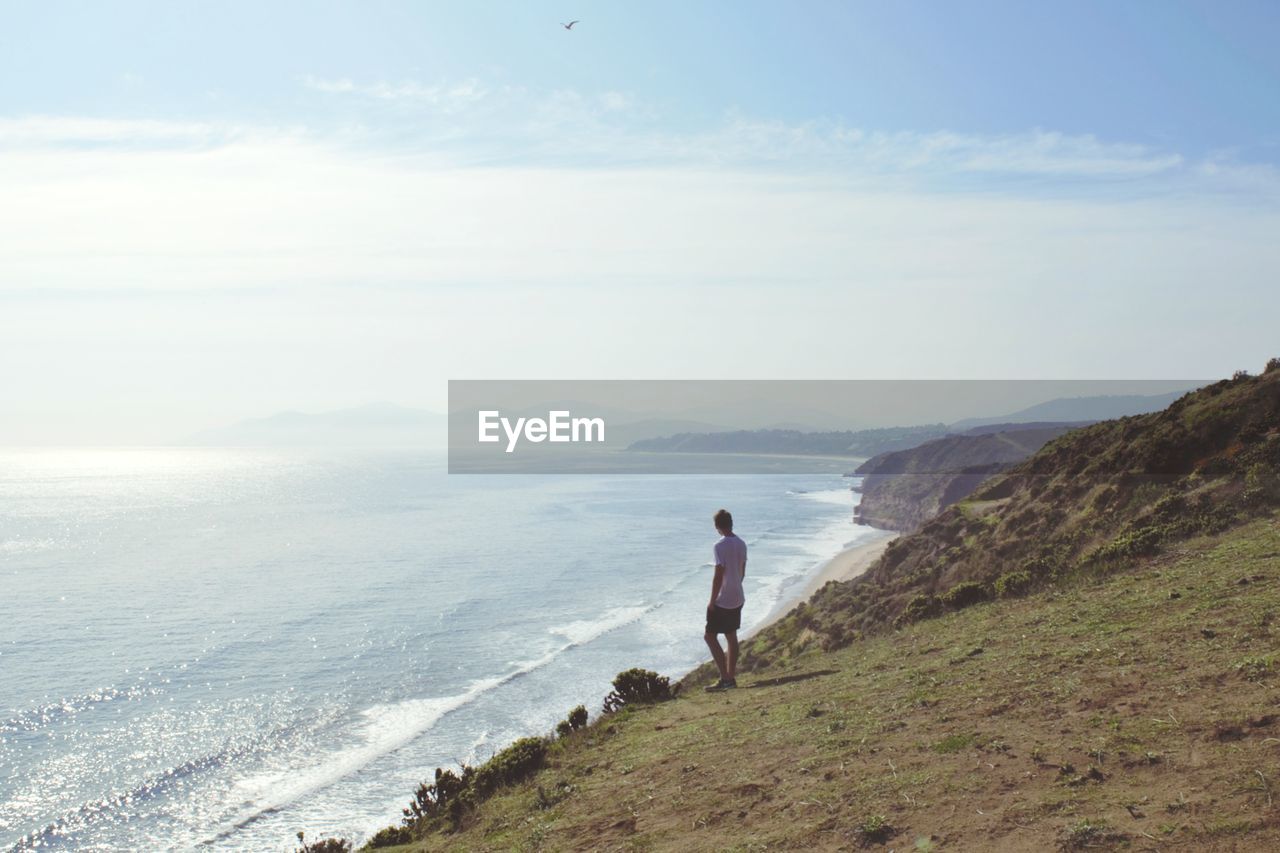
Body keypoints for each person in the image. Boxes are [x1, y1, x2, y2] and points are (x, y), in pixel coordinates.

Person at [704, 508, 746, 691]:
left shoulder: (719, 546)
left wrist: (712, 601)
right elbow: (742, 570)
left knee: (710, 636)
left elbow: (718, 576)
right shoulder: (742, 543)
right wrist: (736, 586)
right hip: (738, 596)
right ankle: (730, 678)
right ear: (731, 523)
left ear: (717, 527)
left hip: (723, 599)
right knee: (731, 636)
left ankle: (725, 678)